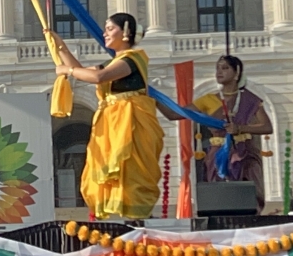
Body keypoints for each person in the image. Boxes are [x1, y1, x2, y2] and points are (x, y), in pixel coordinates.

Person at [51, 13, 175, 220]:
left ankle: (137, 220)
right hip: (113, 125)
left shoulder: (133, 59)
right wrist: (59, 46)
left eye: (110, 29)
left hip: (130, 125)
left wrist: (67, 70)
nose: (105, 33)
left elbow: (98, 77)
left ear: (125, 32)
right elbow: (84, 71)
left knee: (130, 171)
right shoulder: (115, 62)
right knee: (110, 169)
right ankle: (123, 218)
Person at [192, 55, 272, 213]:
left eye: (225, 68)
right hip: (218, 155)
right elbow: (175, 114)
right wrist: (153, 96)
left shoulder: (249, 99)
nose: (219, 72)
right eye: (217, 68)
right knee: (219, 197)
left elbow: (267, 127)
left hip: (244, 152)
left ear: (237, 73)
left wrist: (240, 128)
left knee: (248, 198)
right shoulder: (208, 100)